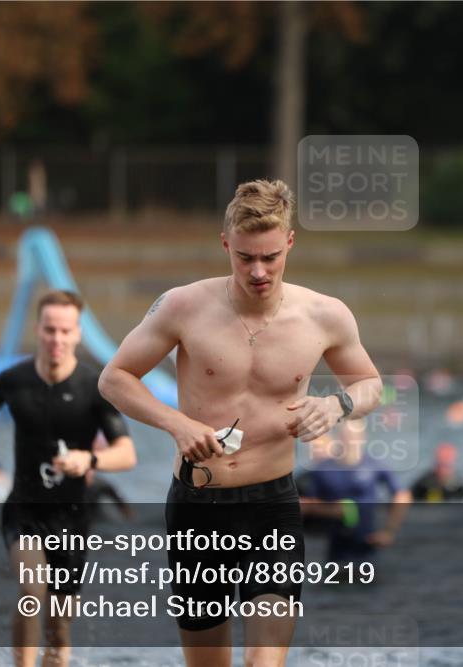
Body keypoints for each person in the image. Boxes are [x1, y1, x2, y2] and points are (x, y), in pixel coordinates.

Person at [99, 179, 383, 667]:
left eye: (270, 257)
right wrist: (177, 424)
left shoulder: (324, 315)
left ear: (289, 243)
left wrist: (336, 406)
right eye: (245, 257)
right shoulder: (183, 306)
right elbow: (115, 377)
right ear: (225, 244)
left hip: (272, 504)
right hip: (197, 506)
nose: (258, 271)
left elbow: (372, 385)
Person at [0, 290, 137, 667]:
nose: (56, 339)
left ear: (78, 333)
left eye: (65, 331)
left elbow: (127, 454)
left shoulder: (95, 388)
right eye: (49, 330)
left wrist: (89, 458)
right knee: (32, 590)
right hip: (25, 509)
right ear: (38, 330)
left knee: (59, 625)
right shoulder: (14, 380)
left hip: (73, 517)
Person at [298, 419, 411, 563]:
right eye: (346, 435)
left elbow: (402, 495)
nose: (350, 440)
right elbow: (306, 505)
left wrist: (389, 531)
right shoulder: (323, 468)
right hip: (333, 548)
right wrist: (331, 510)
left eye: (354, 436)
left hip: (368, 546)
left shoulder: (374, 465)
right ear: (339, 437)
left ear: (363, 437)